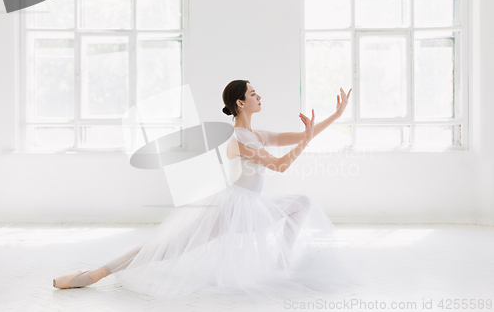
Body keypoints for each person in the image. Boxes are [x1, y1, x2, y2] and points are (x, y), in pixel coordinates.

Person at [53, 80, 362, 300]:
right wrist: (306, 141)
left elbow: (299, 135)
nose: (259, 96)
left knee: (301, 203)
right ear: (240, 103)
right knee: (166, 247)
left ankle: (281, 262)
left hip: (249, 205)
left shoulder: (256, 133)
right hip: (230, 209)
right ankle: (96, 273)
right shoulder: (241, 138)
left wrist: (335, 116)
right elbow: (281, 165)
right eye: (253, 93)